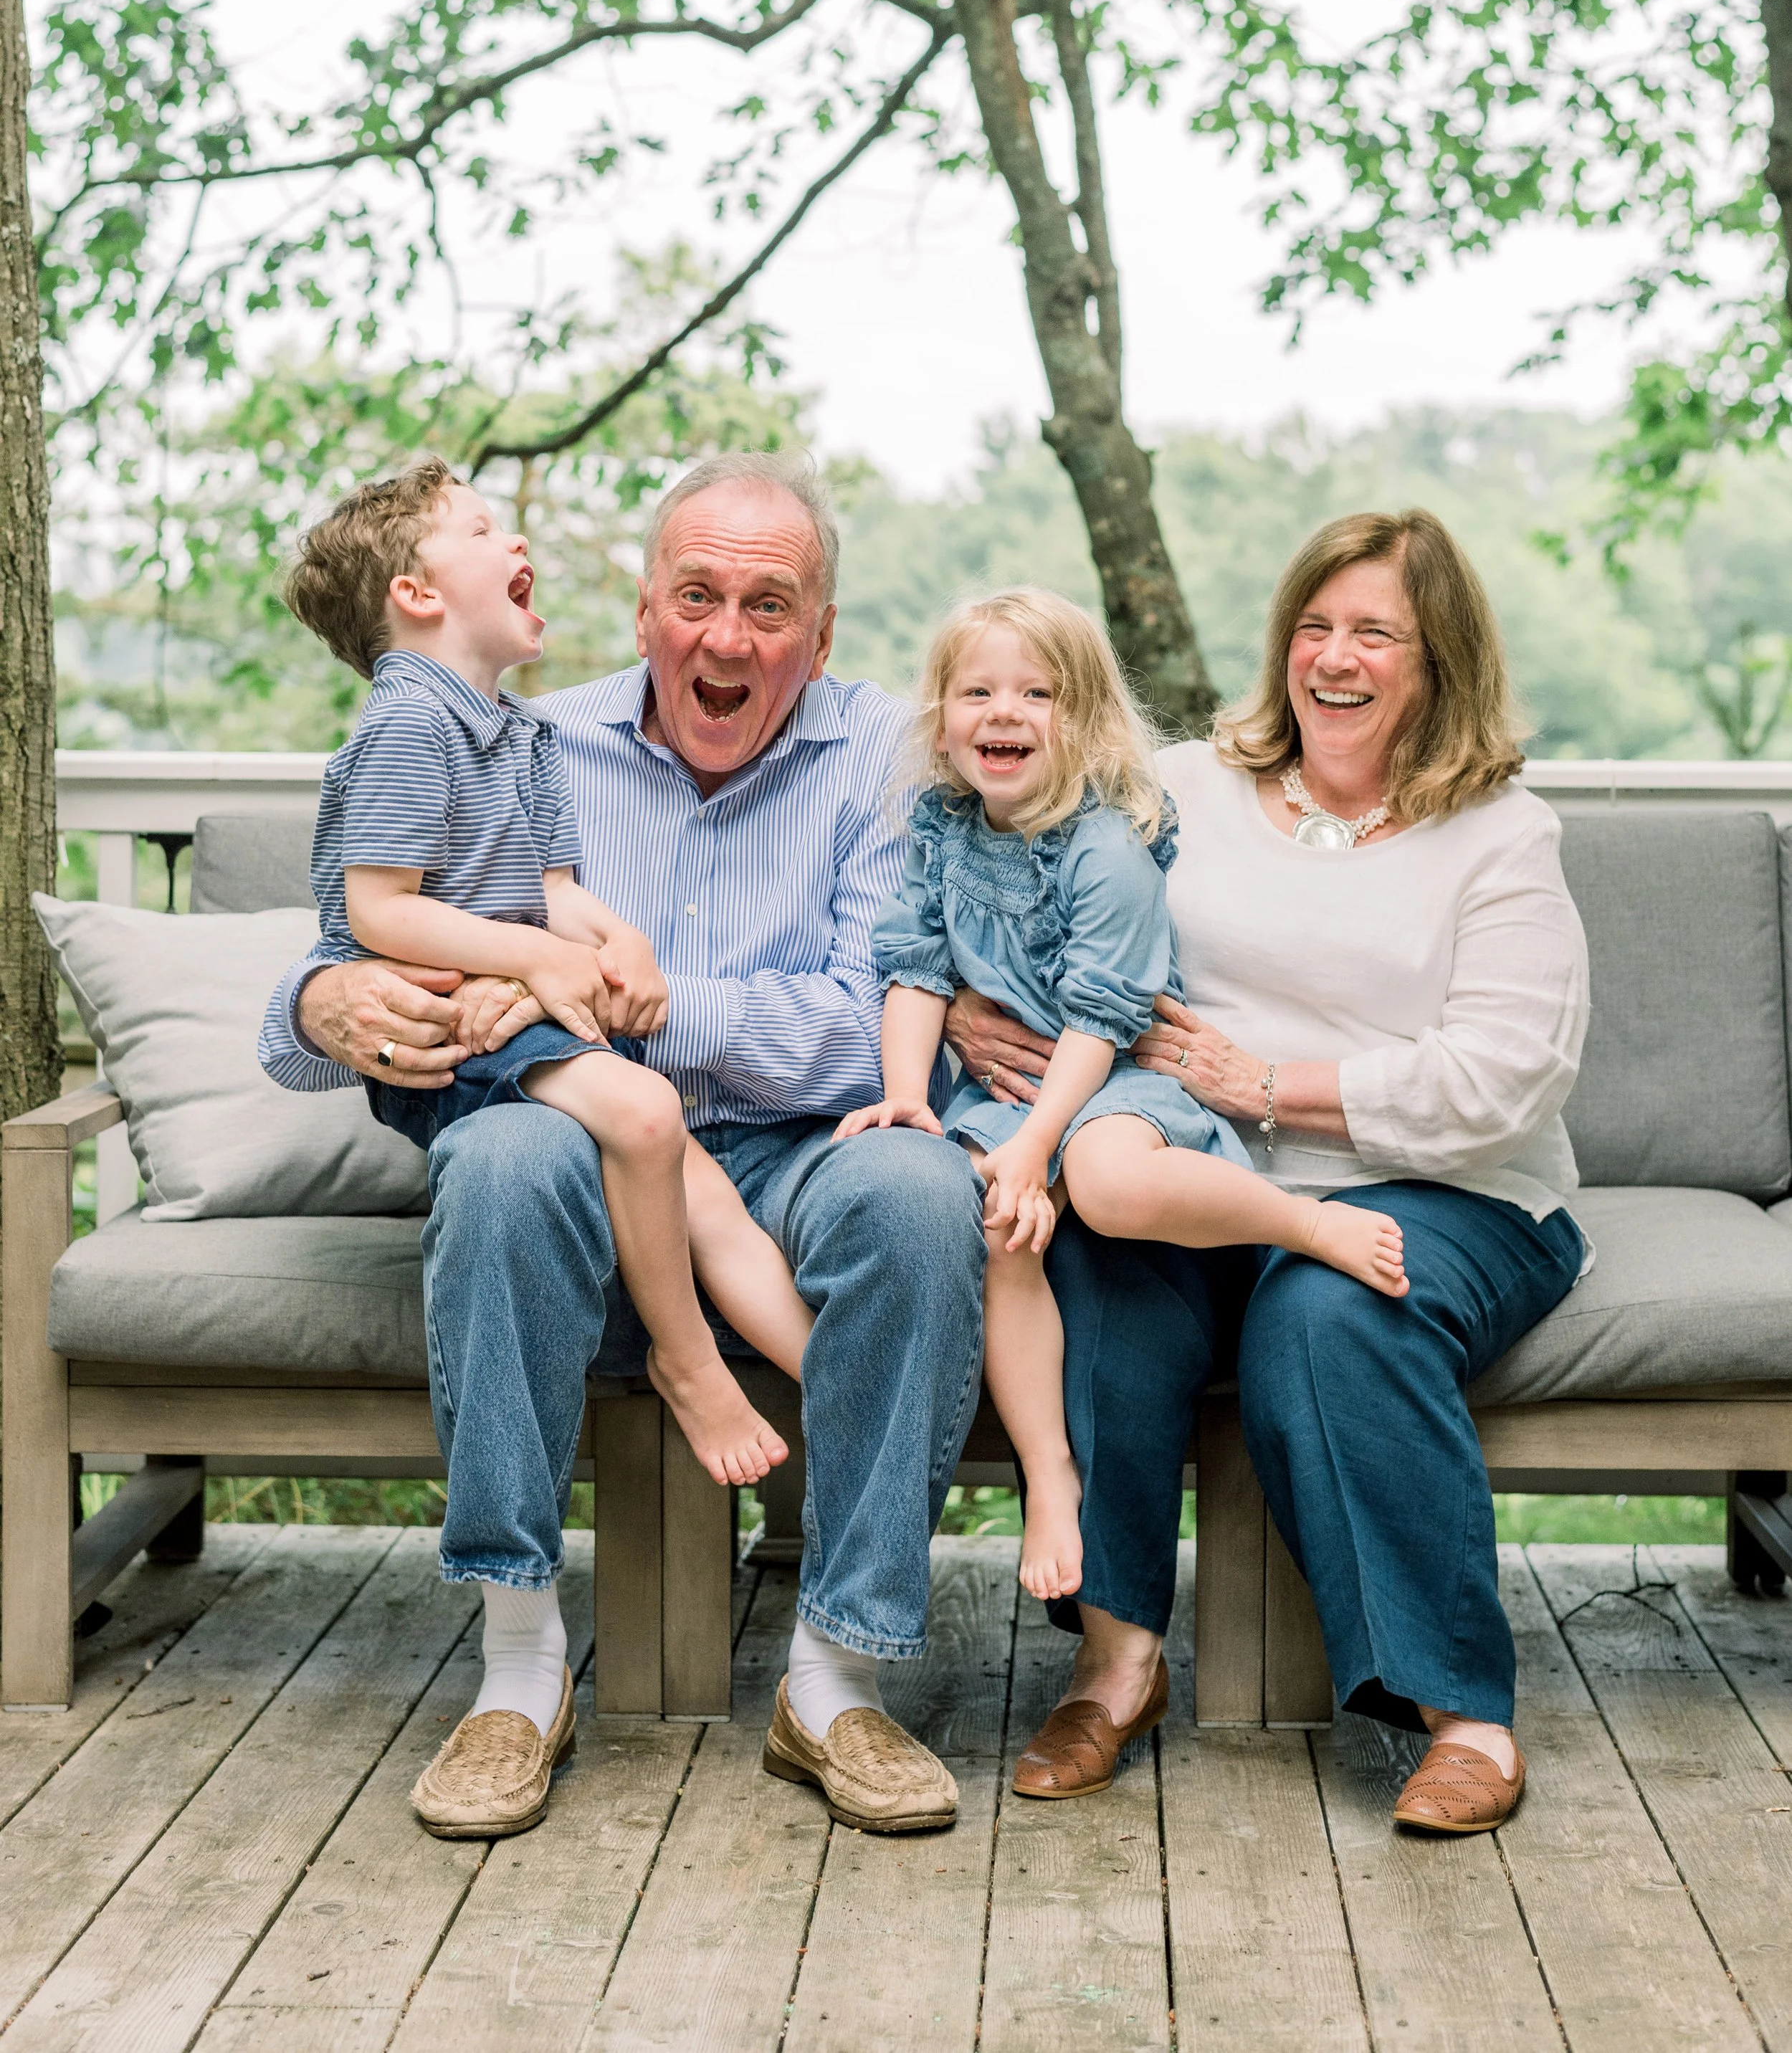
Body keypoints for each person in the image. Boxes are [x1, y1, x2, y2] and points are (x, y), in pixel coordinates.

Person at [261, 453, 977, 1844]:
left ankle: (832, 1679)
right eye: (694, 594)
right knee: (505, 1157)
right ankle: (519, 1667)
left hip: (795, 1153)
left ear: (818, 639)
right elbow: (360, 937)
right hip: (583, 1156)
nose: (725, 636)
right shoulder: (520, 733)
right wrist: (315, 999)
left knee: (918, 1184)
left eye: (768, 607)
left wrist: (585, 995)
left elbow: (864, 1032)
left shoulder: (886, 762)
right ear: (645, 607)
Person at [947, 511, 1588, 1830]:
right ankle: (1115, 1660)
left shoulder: (1500, 836)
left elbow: (1506, 1077)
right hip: (1197, 1172)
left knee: (1329, 1308)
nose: (1333, 658)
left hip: (1450, 1188)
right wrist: (962, 1005)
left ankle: (1462, 1711)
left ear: (1439, 658)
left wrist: (1275, 1089)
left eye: (1374, 632)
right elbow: (1017, 868)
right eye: (1313, 625)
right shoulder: (1183, 787)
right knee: (1096, 1268)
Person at [839, 588, 1408, 1613]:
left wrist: (1040, 1143)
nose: (1003, 713)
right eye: (978, 690)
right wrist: (905, 1100)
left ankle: (1303, 1223)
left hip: (1118, 1081)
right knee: (999, 1226)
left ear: (1089, 716)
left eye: (1037, 692)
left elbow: (1104, 1017)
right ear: (941, 712)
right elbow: (915, 966)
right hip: (1004, 1095)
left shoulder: (1103, 844)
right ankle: (1050, 1478)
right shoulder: (940, 824)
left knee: (1099, 1180)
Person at [280, 457, 811, 1505]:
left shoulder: (521, 731)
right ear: (418, 595)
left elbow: (557, 892)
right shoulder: (408, 724)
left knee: (696, 1183)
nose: (513, 541)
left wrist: (629, 953)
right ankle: (690, 1362)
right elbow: (379, 912)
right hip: (446, 1023)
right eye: (480, 531)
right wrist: (536, 960)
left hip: (520, 1022)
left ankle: (840, 1383)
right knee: (652, 1112)